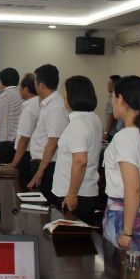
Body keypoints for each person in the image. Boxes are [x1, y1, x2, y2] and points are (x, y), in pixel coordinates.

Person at [102, 75, 140, 273]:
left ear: (121, 99)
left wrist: (127, 232)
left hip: (126, 216)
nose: (112, 101)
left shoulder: (125, 137)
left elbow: (133, 187)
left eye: (113, 96)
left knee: (122, 278)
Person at [52, 76, 102, 224]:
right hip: (84, 191)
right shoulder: (93, 118)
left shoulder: (78, 123)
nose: (63, 96)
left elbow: (80, 161)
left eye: (65, 92)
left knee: (69, 236)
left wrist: (72, 194)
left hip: (75, 194)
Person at [27, 64, 68, 202]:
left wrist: (40, 172)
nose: (34, 85)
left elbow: (53, 141)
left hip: (47, 167)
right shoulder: (48, 104)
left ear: (42, 85)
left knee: (44, 206)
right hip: (43, 164)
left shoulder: (55, 107)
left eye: (35, 82)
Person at [0, 73, 38, 185]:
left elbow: (24, 139)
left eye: (20, 87)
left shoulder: (29, 109)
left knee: (21, 186)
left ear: (26, 89)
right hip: (31, 154)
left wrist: (14, 163)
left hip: (26, 154)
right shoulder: (37, 104)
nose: (19, 90)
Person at [0, 67, 22, 163]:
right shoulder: (24, 97)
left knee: (4, 171)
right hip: (24, 145)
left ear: (1, 82)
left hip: (6, 146)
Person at [103, 74, 121, 141]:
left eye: (110, 84)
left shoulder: (113, 99)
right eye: (108, 84)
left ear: (115, 86)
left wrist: (105, 133)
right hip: (114, 132)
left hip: (112, 133)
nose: (108, 86)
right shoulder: (113, 97)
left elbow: (111, 117)